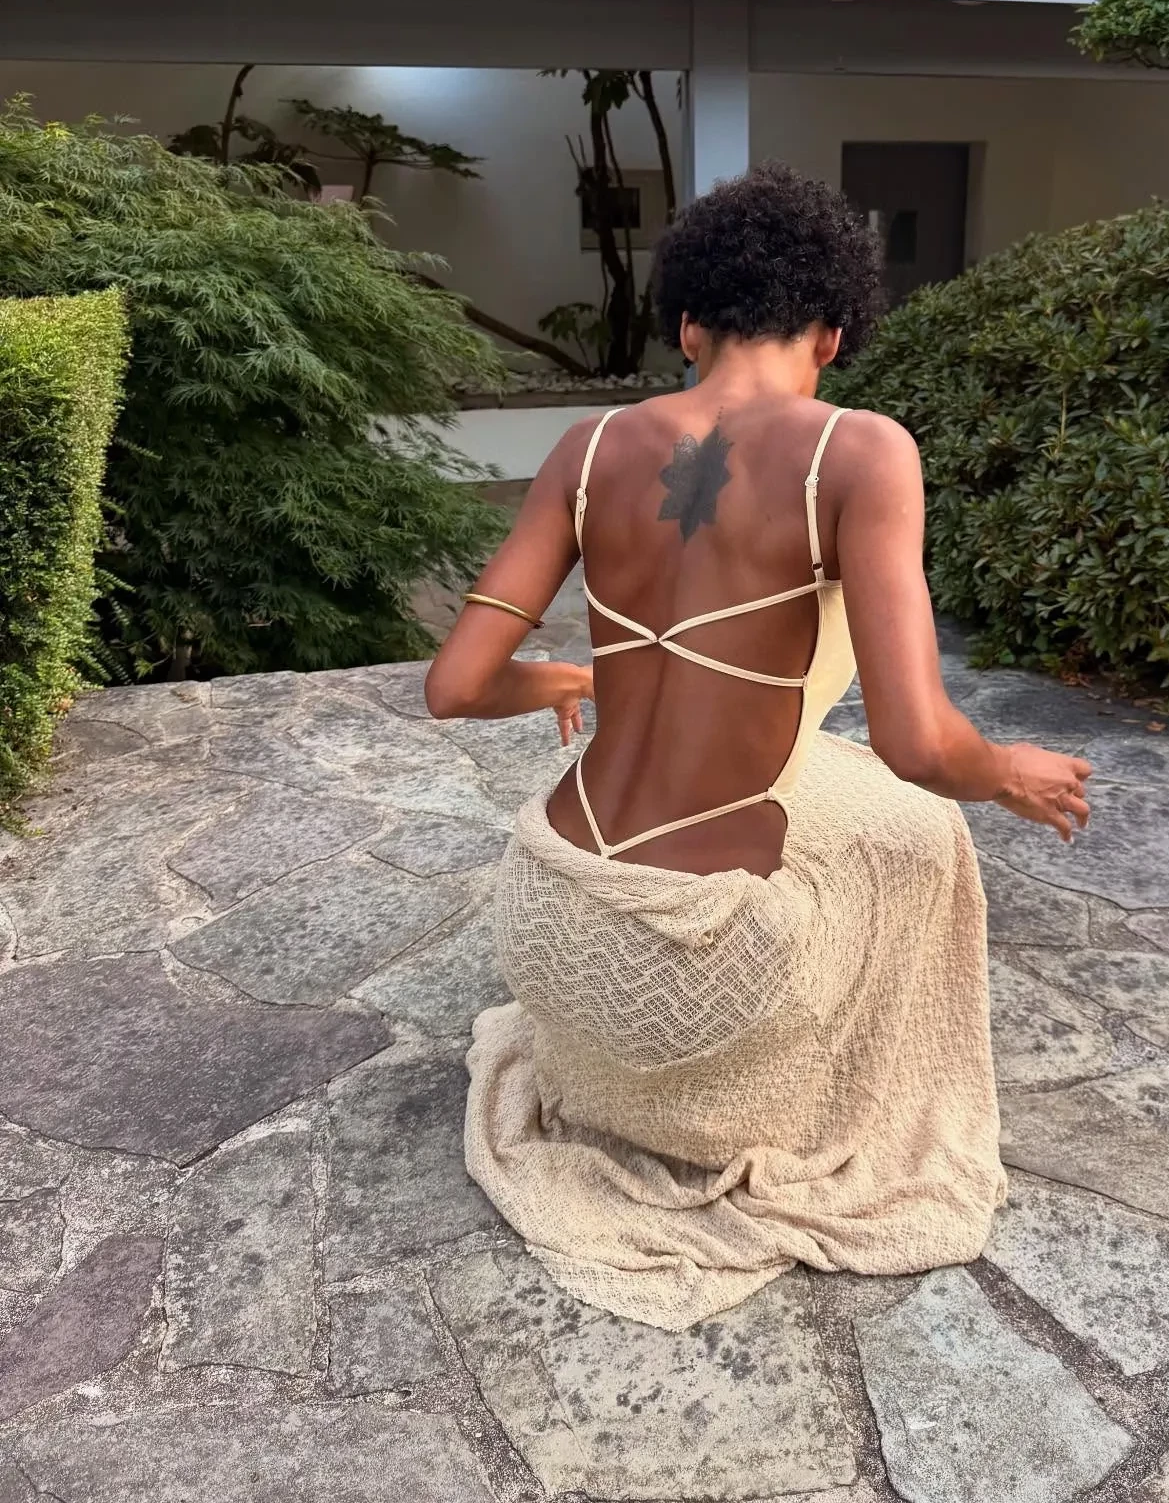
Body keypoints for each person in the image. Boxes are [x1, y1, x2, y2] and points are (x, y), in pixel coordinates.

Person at [426, 163, 1091, 1330]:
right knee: (923, 832)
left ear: (687, 325)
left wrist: (564, 677)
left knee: (843, 795)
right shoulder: (861, 452)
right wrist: (1003, 771)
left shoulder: (586, 448)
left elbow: (456, 686)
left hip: (551, 911)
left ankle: (657, 1086)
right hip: (702, 967)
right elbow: (919, 744)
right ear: (832, 335)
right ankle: (797, 1091)